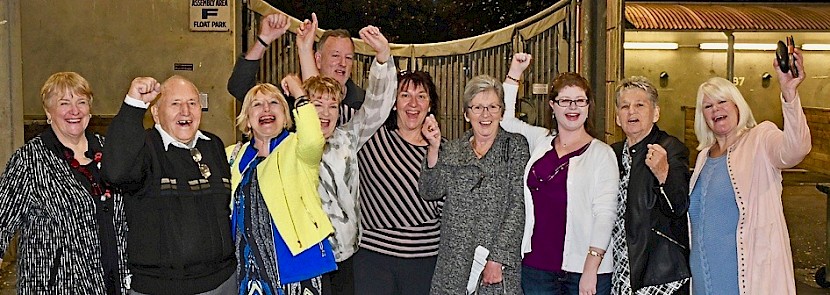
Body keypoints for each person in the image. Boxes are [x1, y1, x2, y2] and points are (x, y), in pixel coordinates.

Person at [228, 16, 398, 294]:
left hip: (343, 254)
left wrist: (382, 57)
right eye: (316, 106)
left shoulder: (347, 136)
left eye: (333, 106)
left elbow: (377, 106)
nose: (325, 112)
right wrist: (299, 50)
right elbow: (299, 109)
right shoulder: (288, 141)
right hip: (300, 254)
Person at [688, 50, 810, 295]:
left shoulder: (760, 138)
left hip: (748, 276)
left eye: (722, 101)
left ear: (737, 105)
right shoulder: (703, 157)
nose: (716, 109)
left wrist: (789, 94)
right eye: (708, 106)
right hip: (704, 276)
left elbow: (795, 150)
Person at [104, 76, 236, 295]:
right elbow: (115, 172)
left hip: (222, 282)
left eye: (192, 103)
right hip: (161, 287)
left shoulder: (213, 145)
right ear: (156, 113)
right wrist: (134, 105)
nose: (185, 111)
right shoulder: (144, 148)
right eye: (175, 103)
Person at [501, 54, 618, 295]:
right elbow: (505, 121)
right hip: (536, 267)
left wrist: (590, 269)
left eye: (579, 101)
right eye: (564, 100)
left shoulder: (602, 154)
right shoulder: (541, 142)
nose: (572, 107)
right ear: (552, 106)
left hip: (583, 272)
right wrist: (515, 73)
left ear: (588, 106)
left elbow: (605, 215)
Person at [0, 72, 128, 294]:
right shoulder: (29, 161)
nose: (74, 111)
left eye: (81, 102)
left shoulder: (110, 151)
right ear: (48, 112)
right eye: (64, 103)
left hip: (115, 284)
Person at [419, 75, 528, 294]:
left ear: (502, 112)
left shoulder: (515, 146)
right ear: (466, 114)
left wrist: (497, 258)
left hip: (497, 266)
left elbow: (518, 206)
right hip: (454, 265)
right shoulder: (453, 149)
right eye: (477, 107)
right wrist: (433, 149)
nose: (485, 115)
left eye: (492, 107)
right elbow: (430, 191)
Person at [227, 79, 335, 295]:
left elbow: (314, 139)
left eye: (274, 103)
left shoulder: (298, 148)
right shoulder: (232, 155)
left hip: (298, 264)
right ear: (247, 120)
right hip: (250, 269)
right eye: (257, 104)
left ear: (286, 116)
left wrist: (299, 94)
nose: (266, 108)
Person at [354, 70, 443, 294]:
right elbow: (325, 107)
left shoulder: (446, 150)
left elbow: (446, 210)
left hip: (425, 261)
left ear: (430, 105)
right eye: (405, 95)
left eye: (421, 96)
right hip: (373, 259)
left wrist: (434, 151)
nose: (413, 103)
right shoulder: (371, 137)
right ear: (393, 103)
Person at [610, 76, 690, 295]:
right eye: (625, 107)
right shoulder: (612, 154)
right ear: (617, 117)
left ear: (655, 113)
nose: (631, 112)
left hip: (659, 275)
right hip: (620, 273)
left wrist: (663, 174)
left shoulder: (671, 148)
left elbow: (679, 207)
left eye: (640, 105)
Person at [296, 13, 366, 124]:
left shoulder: (364, 103)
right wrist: (304, 49)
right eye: (335, 56)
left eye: (348, 57)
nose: (343, 63)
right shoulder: (294, 94)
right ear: (318, 60)